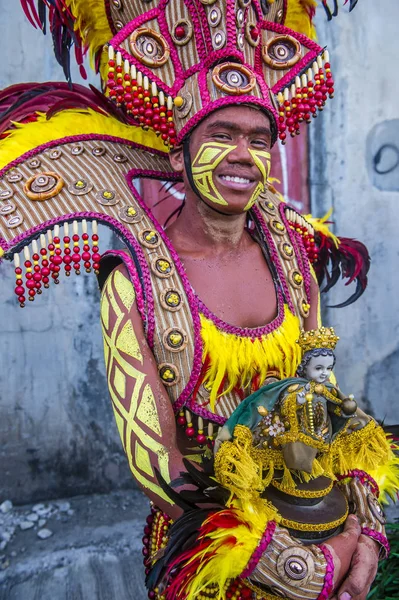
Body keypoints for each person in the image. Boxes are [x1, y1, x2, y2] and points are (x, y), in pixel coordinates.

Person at [0, 1, 396, 600]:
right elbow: (161, 469)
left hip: (322, 524)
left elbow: (324, 409)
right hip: (209, 555)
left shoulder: (296, 256)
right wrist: (301, 568)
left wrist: (362, 533)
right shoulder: (133, 285)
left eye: (259, 139)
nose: (244, 154)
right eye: (223, 135)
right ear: (180, 154)